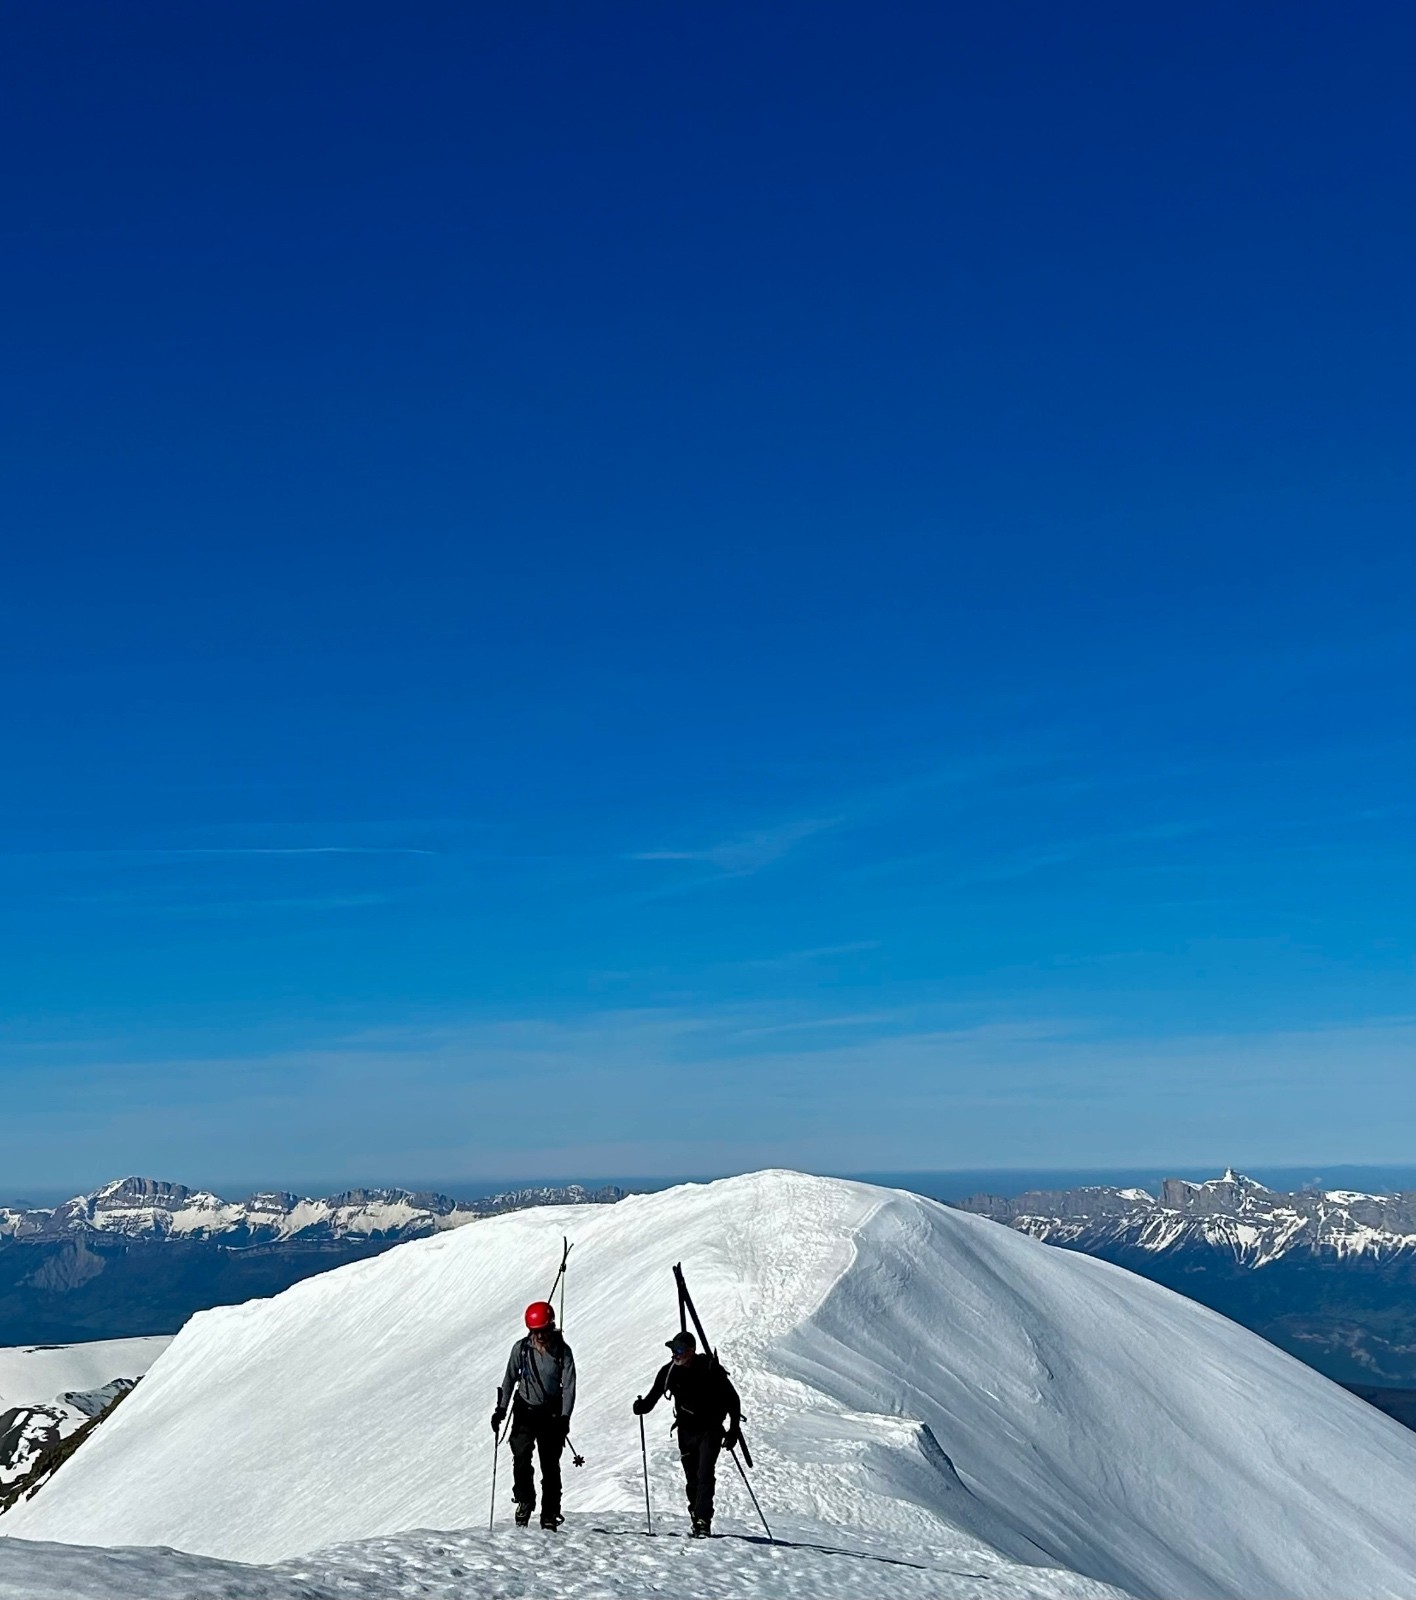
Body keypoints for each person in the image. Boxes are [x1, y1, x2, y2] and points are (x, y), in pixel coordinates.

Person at [633, 1329, 741, 1537]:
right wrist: (642, 1407)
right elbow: (653, 1397)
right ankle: (696, 1513)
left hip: (710, 1429)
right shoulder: (669, 1371)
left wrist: (734, 1429)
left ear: (691, 1350)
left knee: (705, 1474)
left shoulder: (710, 1369)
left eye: (679, 1350)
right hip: (686, 1431)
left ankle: (703, 1520)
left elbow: (732, 1399)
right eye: (673, 1350)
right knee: (692, 1478)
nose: (675, 1354)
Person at [491, 1300, 576, 1530]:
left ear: (551, 1327)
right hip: (525, 1411)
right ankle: (525, 1500)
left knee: (550, 1465)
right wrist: (501, 1409)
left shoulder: (563, 1352)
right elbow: (509, 1379)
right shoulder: (521, 1349)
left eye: (543, 1331)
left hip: (551, 1415)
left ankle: (550, 1512)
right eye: (535, 1331)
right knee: (521, 1457)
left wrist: (565, 1418)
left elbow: (569, 1387)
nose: (539, 1336)